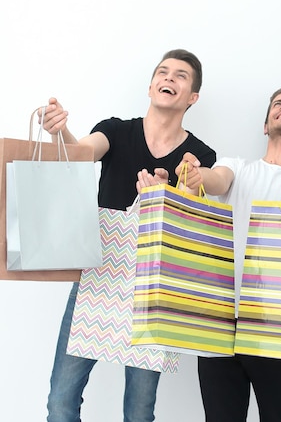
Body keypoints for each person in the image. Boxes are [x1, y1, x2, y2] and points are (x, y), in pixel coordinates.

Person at [39, 49, 217, 422]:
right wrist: (61, 133)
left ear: (192, 97)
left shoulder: (198, 155)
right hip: (98, 276)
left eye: (181, 76)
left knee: (140, 411)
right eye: (163, 72)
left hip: (155, 288)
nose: (169, 78)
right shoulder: (117, 130)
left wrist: (167, 196)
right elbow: (82, 153)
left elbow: (194, 219)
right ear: (151, 85)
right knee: (60, 399)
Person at [178, 87, 281, 422]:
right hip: (219, 319)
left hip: (278, 324)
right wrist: (199, 175)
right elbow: (216, 180)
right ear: (265, 125)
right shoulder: (236, 167)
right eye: (278, 104)